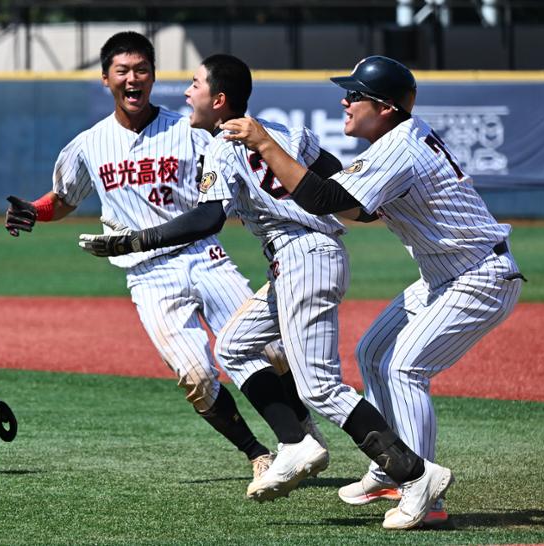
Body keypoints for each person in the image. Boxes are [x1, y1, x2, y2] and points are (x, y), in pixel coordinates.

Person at [78, 53, 454, 530]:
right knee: (234, 346)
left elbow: (207, 219)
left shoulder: (220, 145)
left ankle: (416, 473)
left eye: (195, 85)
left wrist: (133, 240)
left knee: (319, 385)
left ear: (219, 100)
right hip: (299, 258)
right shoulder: (279, 127)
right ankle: (296, 443)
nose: (186, 93)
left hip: (303, 257)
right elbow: (330, 169)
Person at [3, 31, 330, 495]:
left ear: (153, 77)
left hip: (204, 255)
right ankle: (259, 455)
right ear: (106, 79)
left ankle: (300, 430)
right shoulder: (89, 144)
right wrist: (34, 211)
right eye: (123, 71)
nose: (133, 78)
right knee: (196, 377)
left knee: (274, 350)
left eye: (142, 70)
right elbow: (64, 198)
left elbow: (233, 169)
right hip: (148, 275)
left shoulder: (190, 129)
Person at [218, 55, 526, 525]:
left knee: (404, 367)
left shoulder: (398, 147)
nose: (345, 100)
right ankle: (389, 465)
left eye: (355, 94)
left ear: (383, 107)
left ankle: (422, 489)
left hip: (480, 277)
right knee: (372, 352)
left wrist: (264, 142)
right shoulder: (394, 140)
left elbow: (323, 200)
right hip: (447, 274)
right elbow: (357, 211)